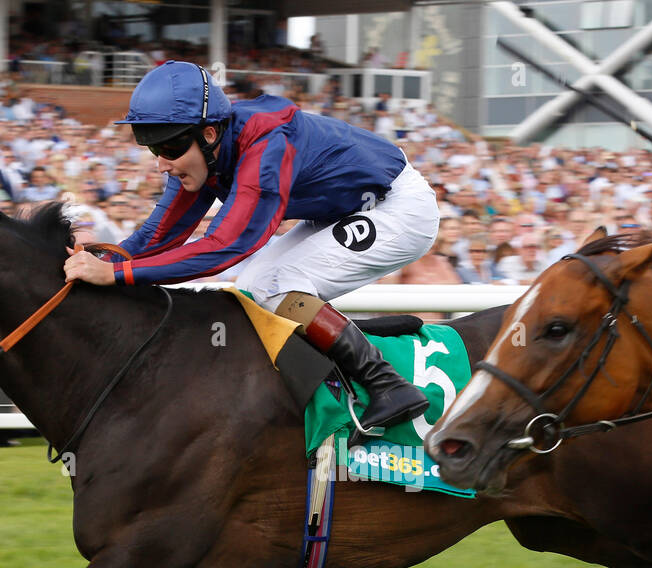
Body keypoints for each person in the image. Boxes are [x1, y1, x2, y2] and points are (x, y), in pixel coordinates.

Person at [62, 61, 435, 430]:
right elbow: (158, 236)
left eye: (170, 148)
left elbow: (225, 246)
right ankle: (350, 343)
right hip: (342, 209)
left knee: (274, 285)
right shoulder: (201, 151)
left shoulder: (265, 147)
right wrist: (102, 259)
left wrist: (117, 274)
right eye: (152, 148)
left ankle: (387, 384)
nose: (162, 164)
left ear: (208, 134)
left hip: (397, 207)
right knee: (255, 286)